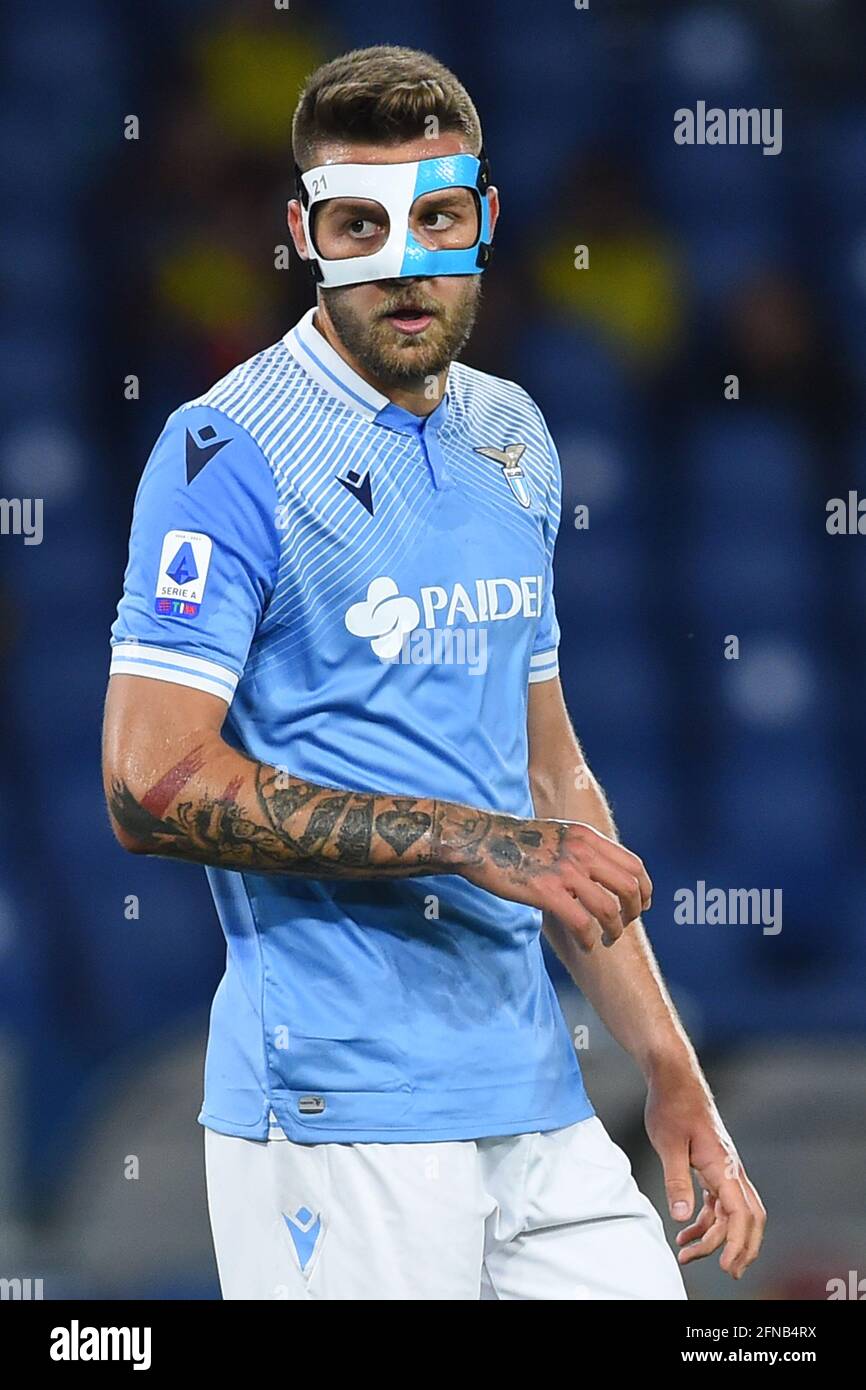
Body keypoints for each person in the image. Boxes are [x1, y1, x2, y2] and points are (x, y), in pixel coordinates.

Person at [102, 44, 765, 1300]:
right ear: (302, 233)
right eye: (361, 223)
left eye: (437, 218)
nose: (404, 263)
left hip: (537, 1099)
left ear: (484, 221)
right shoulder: (220, 453)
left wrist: (669, 1064)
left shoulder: (512, 432)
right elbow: (145, 788)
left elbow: (549, 776)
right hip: (335, 1107)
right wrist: (468, 839)